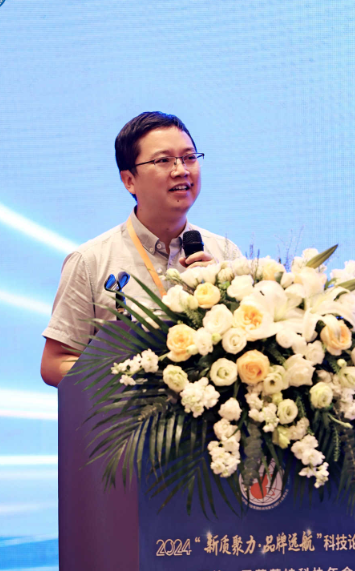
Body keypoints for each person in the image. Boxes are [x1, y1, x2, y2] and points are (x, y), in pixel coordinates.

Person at [41, 111, 241, 386]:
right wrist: (130, 378)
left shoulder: (226, 254)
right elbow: (54, 363)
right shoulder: (90, 261)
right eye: (163, 160)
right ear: (129, 180)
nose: (181, 170)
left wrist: (223, 298)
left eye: (189, 158)